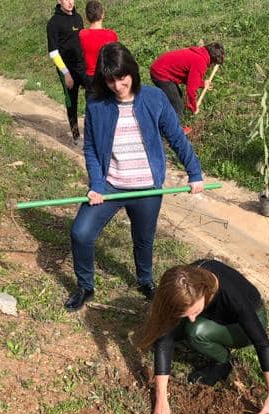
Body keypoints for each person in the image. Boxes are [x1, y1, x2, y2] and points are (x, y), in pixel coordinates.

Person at [65, 43, 204, 311]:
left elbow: (176, 136)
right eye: (110, 80)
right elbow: (91, 148)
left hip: (147, 188)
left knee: (143, 238)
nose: (118, 85)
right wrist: (96, 184)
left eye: (122, 77)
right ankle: (85, 286)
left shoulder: (153, 98)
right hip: (110, 186)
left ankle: (145, 280)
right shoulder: (97, 104)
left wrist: (194, 172)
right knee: (81, 233)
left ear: (132, 71)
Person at [138, 259, 269, 414]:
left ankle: (223, 362)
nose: (192, 317)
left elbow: (262, 343)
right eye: (189, 313)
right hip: (213, 312)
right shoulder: (186, 283)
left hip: (245, 325)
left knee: (195, 331)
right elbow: (164, 339)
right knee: (169, 332)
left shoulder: (230, 294)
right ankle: (200, 323)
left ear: (204, 292)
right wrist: (161, 398)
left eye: (194, 312)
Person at [149, 43, 224, 132]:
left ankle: (163, 117)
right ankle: (173, 131)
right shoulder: (200, 62)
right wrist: (193, 107)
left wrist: (203, 83)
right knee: (177, 105)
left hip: (161, 68)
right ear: (212, 60)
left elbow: (189, 78)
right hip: (160, 73)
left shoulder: (200, 53)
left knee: (177, 96)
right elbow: (191, 89)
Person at [47, 0, 87, 145]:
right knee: (72, 100)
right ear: (59, 1)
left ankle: (90, 130)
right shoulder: (53, 23)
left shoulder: (78, 17)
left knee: (93, 94)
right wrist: (65, 73)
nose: (70, 2)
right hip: (66, 69)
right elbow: (53, 52)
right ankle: (76, 136)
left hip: (82, 66)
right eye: (66, 0)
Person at [79, 0, 118, 98]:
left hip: (90, 76)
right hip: (107, 75)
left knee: (92, 106)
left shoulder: (82, 35)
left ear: (87, 18)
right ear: (102, 15)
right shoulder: (112, 35)